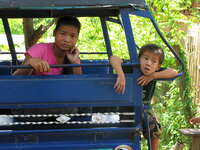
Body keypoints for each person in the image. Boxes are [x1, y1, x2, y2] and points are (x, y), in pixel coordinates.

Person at [110, 44, 178, 150]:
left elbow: (174, 72)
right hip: (127, 109)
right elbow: (114, 58)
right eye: (145, 58)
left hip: (144, 109)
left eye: (153, 61)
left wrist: (152, 76)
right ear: (139, 59)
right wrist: (121, 74)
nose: (148, 63)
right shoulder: (132, 67)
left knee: (155, 130)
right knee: (127, 135)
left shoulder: (155, 73)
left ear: (158, 67)